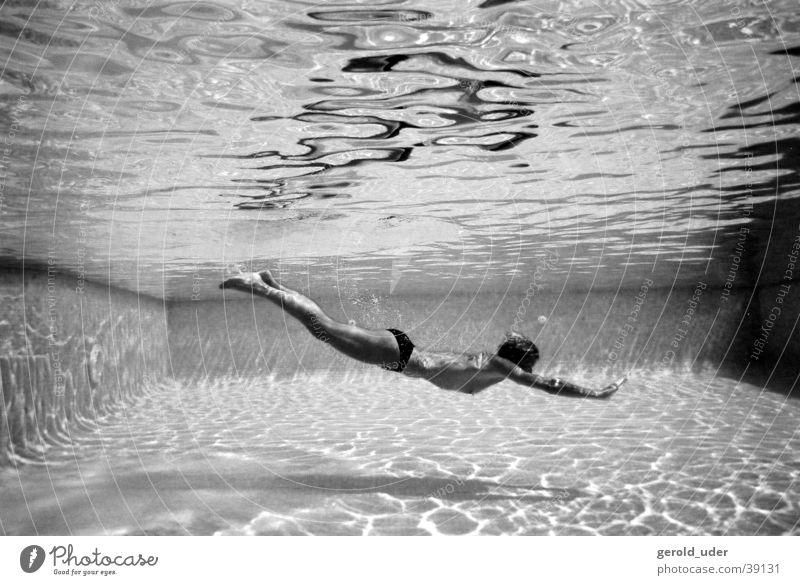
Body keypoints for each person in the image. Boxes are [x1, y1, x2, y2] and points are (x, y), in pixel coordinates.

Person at [220, 270, 626, 398]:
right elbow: (548, 384)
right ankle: (261, 287)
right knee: (323, 329)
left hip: (398, 354)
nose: (529, 372)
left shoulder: (487, 364)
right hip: (399, 354)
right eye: (529, 366)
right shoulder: (500, 366)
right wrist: (593, 393)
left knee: (325, 328)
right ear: (520, 361)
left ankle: (272, 284)